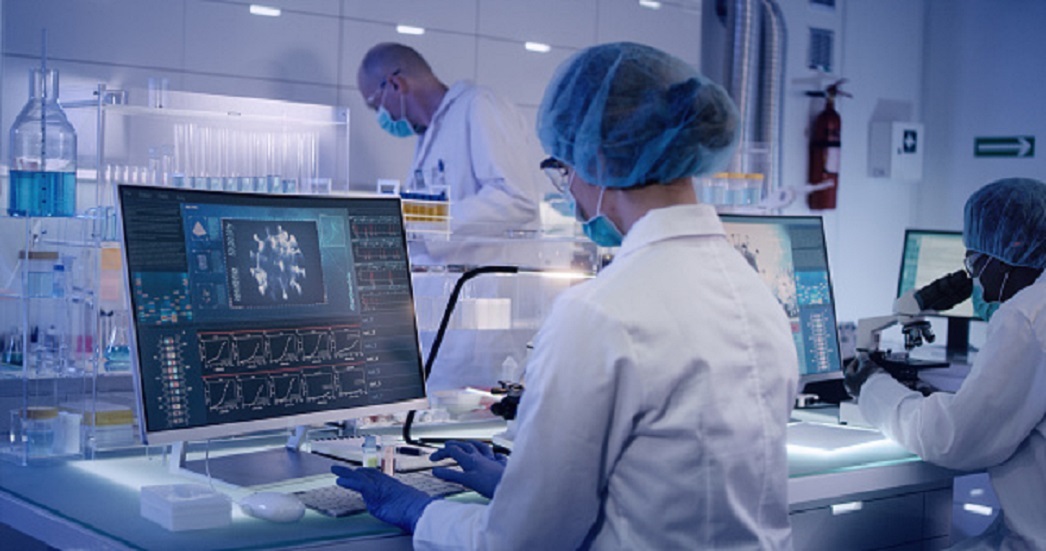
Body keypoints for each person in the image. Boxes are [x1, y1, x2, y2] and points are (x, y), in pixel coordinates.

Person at [333, 42, 799, 549]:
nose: (568, 190)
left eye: (563, 170)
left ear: (596, 157)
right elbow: (670, 477)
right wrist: (521, 487)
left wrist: (418, 510)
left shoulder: (599, 314)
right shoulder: (755, 294)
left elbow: (519, 544)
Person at [846, 178, 1046, 550]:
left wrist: (872, 387)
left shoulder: (1027, 315)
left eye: (975, 263)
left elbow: (953, 439)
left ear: (1012, 250)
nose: (976, 283)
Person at [357, 42, 553, 259]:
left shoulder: (480, 105)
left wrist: (429, 224)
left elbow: (516, 200)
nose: (382, 116)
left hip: (489, 278)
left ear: (396, 84)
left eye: (376, 106)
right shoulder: (431, 135)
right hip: (448, 278)